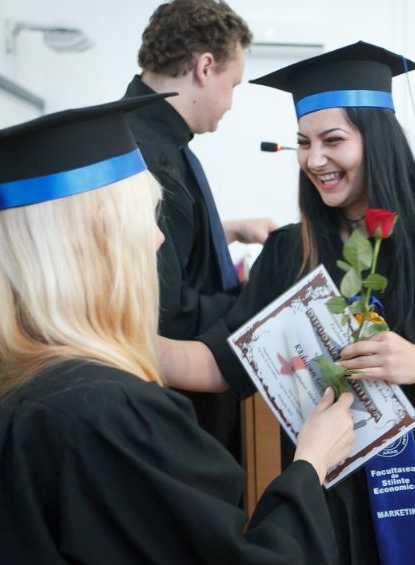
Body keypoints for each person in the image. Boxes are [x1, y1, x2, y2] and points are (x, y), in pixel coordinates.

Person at [158, 41, 415, 564]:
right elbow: (222, 364)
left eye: (332, 140)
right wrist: (110, 340)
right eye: (303, 143)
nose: (315, 160)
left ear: (378, 140)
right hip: (333, 501)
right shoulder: (291, 250)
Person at [0, 96, 355, 563]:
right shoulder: (111, 414)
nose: (159, 236)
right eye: (148, 216)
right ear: (104, 229)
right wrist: (310, 463)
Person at [122, 0, 277, 461]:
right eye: (234, 85)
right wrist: (261, 299)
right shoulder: (148, 160)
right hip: (177, 410)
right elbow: (169, 313)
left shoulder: (143, 136)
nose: (230, 102)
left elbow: (171, 241)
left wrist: (225, 230)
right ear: (205, 67)